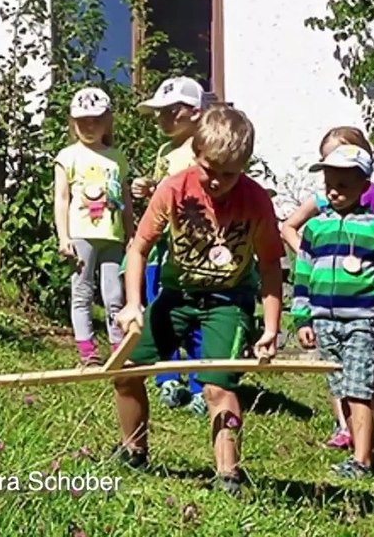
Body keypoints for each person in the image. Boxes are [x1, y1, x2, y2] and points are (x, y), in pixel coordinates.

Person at [112, 104, 284, 496]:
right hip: (177, 295)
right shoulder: (173, 189)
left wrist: (271, 328)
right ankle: (133, 450)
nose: (217, 182)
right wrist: (133, 303)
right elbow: (138, 248)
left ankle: (228, 475)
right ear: (195, 154)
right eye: (209, 169)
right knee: (125, 372)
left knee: (216, 388)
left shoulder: (256, 201)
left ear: (244, 166)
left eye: (229, 174)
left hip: (228, 299)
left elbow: (271, 265)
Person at [281, 126, 374, 460]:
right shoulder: (316, 228)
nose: (334, 193)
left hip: (361, 320)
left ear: (363, 187)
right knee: (338, 385)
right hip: (324, 321)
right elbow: (303, 275)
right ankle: (355, 444)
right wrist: (301, 317)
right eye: (329, 186)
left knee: (359, 386)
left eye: (343, 186)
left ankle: (362, 459)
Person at [130, 76, 213, 412]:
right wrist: (149, 189)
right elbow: (165, 193)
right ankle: (167, 379)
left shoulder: (206, 149)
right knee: (161, 311)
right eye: (158, 112)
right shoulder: (166, 151)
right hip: (164, 245)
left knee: (196, 317)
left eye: (169, 111)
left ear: (193, 112)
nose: (161, 118)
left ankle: (199, 386)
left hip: (196, 247)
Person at [54, 87, 133, 365]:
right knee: (82, 292)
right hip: (81, 235)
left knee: (114, 294)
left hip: (112, 236)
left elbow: (125, 198)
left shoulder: (116, 158)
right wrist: (64, 236)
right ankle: (87, 350)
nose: (89, 126)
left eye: (96, 120)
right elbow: (62, 199)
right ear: (73, 123)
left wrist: (131, 233)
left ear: (108, 121)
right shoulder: (67, 156)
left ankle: (117, 348)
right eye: (83, 120)